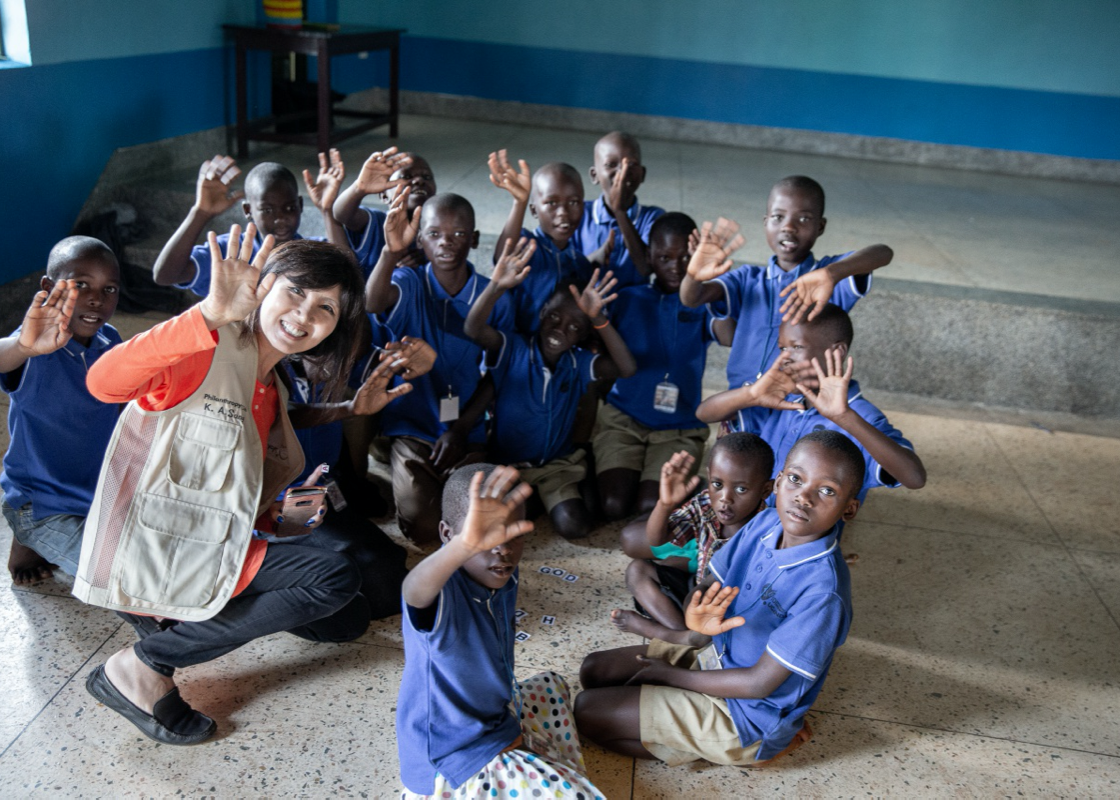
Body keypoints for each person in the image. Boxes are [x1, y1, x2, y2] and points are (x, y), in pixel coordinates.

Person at [76, 228, 387, 745]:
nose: (305, 316)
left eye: (325, 309)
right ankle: (146, 662)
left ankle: (185, 625)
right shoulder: (208, 345)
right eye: (295, 291)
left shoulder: (271, 386)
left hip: (215, 543)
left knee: (347, 619)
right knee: (332, 578)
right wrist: (206, 313)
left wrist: (279, 520)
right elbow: (103, 382)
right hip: (161, 550)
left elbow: (223, 490)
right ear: (261, 287)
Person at [574, 430, 864, 768]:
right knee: (593, 670)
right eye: (796, 479)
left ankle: (744, 751)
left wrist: (671, 676)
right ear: (780, 480)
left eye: (826, 490)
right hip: (713, 657)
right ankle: (691, 721)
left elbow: (758, 683)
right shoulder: (766, 522)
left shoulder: (823, 592)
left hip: (745, 714)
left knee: (586, 712)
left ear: (849, 508)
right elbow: (708, 586)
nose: (803, 498)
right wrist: (694, 615)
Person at [397, 464, 604, 799]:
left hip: (493, 719)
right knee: (576, 794)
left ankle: (527, 765)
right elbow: (413, 590)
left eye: (515, 535)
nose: (504, 549)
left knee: (552, 686)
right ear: (449, 535)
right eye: (487, 535)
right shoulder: (442, 590)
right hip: (449, 762)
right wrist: (463, 548)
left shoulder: (503, 572)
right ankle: (528, 770)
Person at [364, 190, 514, 545]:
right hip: (413, 428)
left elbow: (498, 374)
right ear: (420, 240)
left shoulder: (494, 295)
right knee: (425, 529)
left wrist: (461, 429)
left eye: (459, 234)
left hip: (468, 429)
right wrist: (390, 253)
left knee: (481, 524)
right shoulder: (411, 281)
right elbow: (372, 302)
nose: (446, 243)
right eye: (434, 234)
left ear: (475, 239)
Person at [464, 244, 637, 540]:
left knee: (576, 526)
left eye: (574, 327)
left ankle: (572, 483)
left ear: (583, 335)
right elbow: (473, 329)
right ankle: (543, 497)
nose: (560, 329)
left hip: (557, 466)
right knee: (509, 520)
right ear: (543, 312)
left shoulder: (578, 363)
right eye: (554, 317)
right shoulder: (513, 347)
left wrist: (599, 320)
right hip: (510, 463)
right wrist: (496, 286)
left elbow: (627, 368)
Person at [696, 304, 926, 504]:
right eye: (782, 348)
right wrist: (752, 394)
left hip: (799, 541)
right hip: (751, 528)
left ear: (836, 351)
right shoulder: (779, 400)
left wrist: (844, 417)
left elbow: (914, 478)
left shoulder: (859, 415)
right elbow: (704, 413)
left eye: (796, 347)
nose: (785, 358)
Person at [679, 176, 893, 390]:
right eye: (778, 217)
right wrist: (694, 276)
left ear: (820, 226)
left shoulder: (827, 275)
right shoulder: (746, 279)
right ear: (765, 222)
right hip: (743, 403)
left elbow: (883, 252)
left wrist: (832, 273)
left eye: (803, 219)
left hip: (798, 408)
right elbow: (692, 298)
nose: (788, 227)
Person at [282, 336, 437, 620]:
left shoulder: (331, 367)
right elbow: (287, 416)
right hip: (281, 501)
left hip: (324, 487)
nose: (340, 368)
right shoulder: (271, 368)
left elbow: (378, 364)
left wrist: (405, 360)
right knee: (370, 571)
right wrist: (348, 409)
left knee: (386, 559)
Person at [1, 237, 122, 585]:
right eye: (81, 284)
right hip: (39, 502)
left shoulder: (109, 339)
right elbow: (7, 354)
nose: (96, 298)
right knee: (114, 576)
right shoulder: (31, 344)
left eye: (109, 288)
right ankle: (28, 533)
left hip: (98, 494)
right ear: (48, 287)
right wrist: (23, 345)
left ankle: (35, 543)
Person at [593, 212, 720, 519]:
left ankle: (698, 486)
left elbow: (727, 334)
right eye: (664, 257)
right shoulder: (626, 299)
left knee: (650, 507)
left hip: (678, 429)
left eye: (685, 257)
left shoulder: (704, 302)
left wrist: (710, 276)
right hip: (623, 420)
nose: (675, 267)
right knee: (613, 504)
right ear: (648, 257)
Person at [611, 434, 774, 643]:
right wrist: (665, 503)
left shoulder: (766, 532)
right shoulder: (706, 503)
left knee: (695, 605)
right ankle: (683, 637)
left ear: (766, 490)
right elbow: (656, 540)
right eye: (717, 484)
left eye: (741, 489)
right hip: (697, 591)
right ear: (709, 477)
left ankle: (663, 634)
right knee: (637, 570)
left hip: (728, 614)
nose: (725, 498)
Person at [151, 152, 348, 293]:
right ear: (248, 211)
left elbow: (349, 275)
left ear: (300, 205)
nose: (280, 217)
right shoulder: (229, 252)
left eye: (289, 208)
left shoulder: (312, 251)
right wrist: (200, 212)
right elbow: (165, 275)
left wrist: (327, 210)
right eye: (267, 210)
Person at [487, 151, 592, 333]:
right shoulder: (525, 246)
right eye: (552, 203)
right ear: (534, 210)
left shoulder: (580, 263)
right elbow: (506, 252)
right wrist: (519, 202)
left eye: (574, 202)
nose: (563, 213)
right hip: (515, 350)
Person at [570, 131, 664, 289]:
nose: (623, 171)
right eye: (611, 165)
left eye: (632, 164)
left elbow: (646, 268)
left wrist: (619, 212)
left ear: (642, 174)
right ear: (594, 175)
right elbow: (564, 270)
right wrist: (592, 259)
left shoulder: (654, 217)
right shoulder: (579, 213)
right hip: (585, 305)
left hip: (633, 307)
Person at [331, 147, 436, 278]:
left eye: (427, 177)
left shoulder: (437, 230)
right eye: (407, 176)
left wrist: (428, 254)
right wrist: (359, 188)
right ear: (384, 196)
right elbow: (341, 214)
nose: (419, 181)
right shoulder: (376, 220)